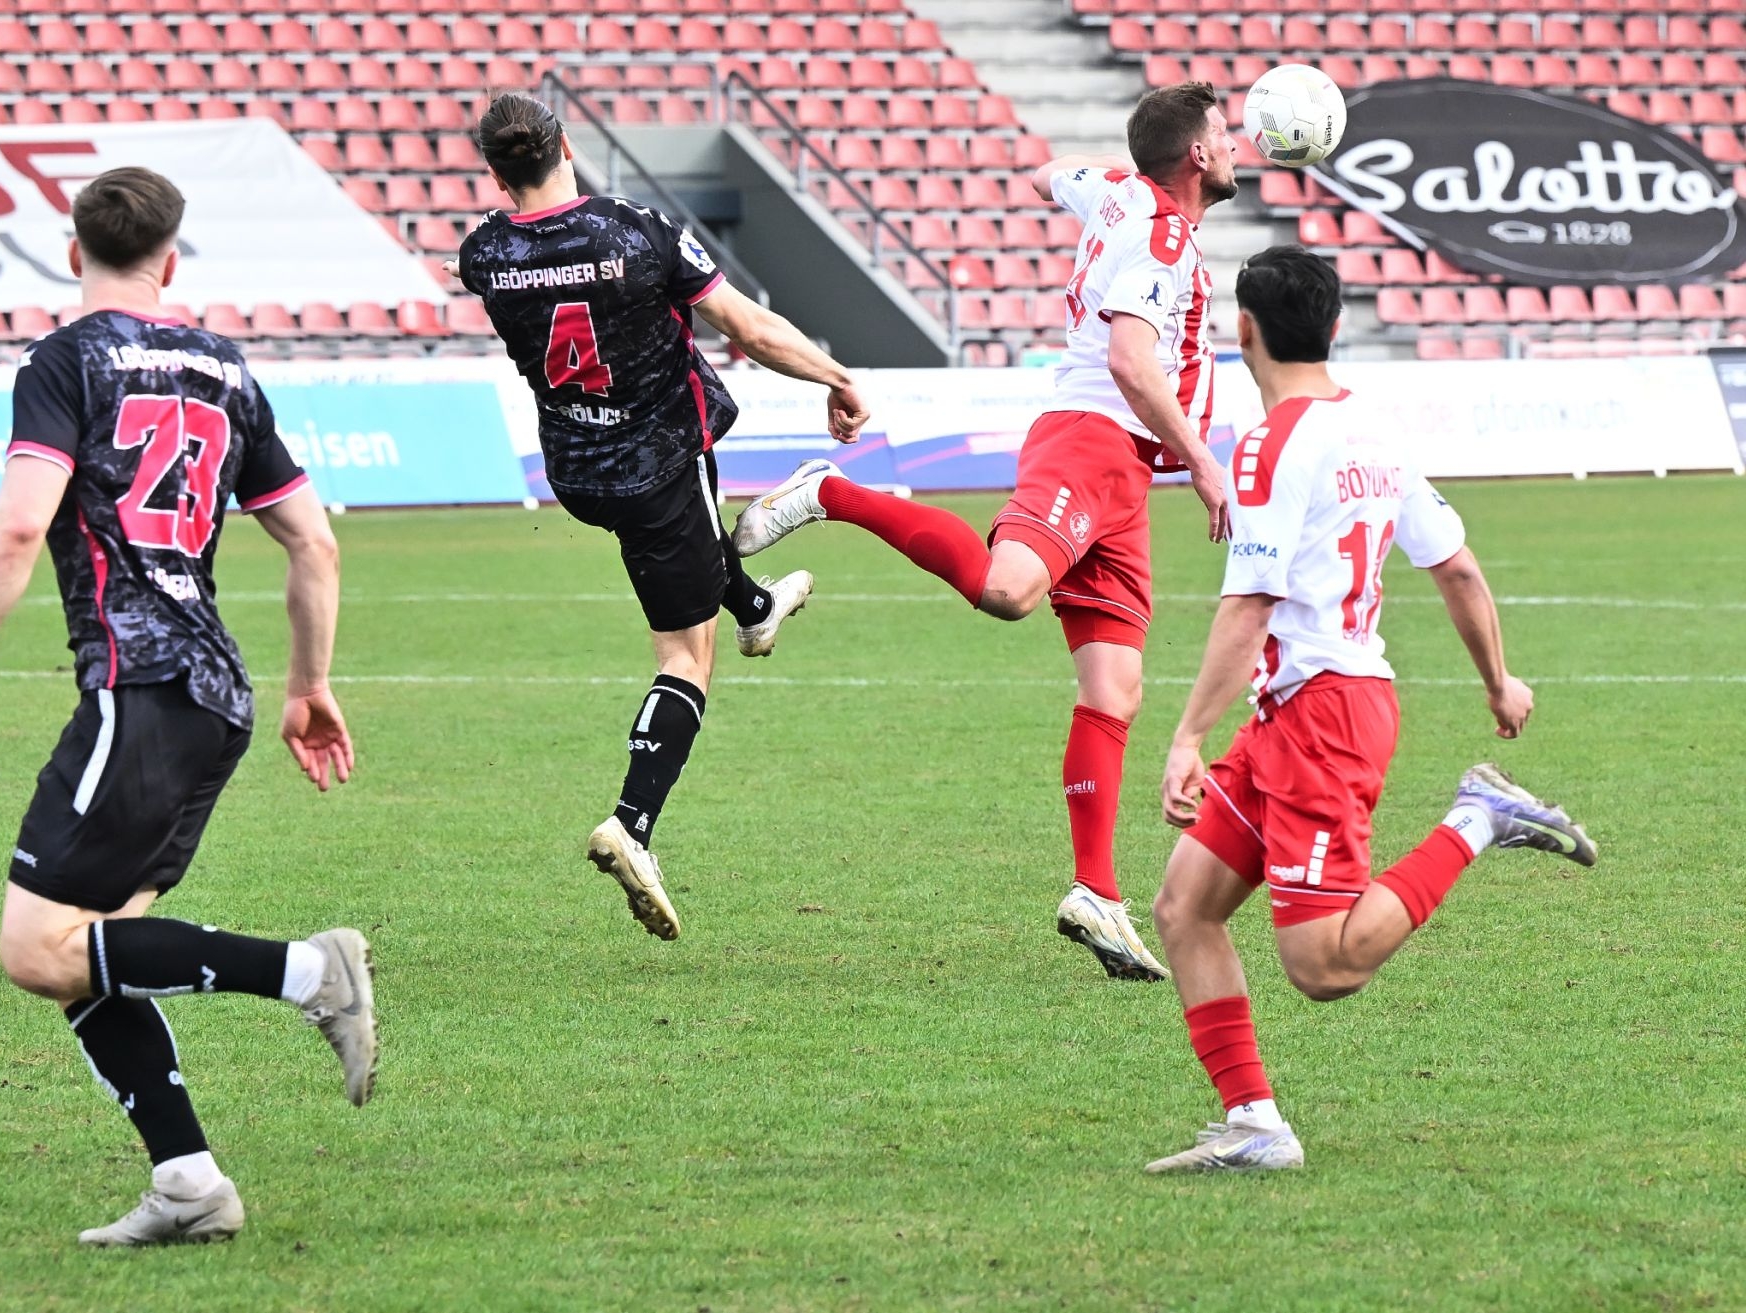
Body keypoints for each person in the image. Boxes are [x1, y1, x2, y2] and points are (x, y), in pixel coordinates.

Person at [0, 167, 375, 1244]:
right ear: (171, 258)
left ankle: (311, 971)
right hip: (216, 693)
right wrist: (309, 685)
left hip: (142, 684)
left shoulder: (62, 362)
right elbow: (314, 542)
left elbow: (22, 524)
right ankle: (190, 1183)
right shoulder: (225, 368)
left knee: (36, 949)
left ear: (76, 253)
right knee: (96, 948)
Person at [734, 82, 1239, 980]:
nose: (1236, 145)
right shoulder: (1161, 236)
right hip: (1091, 440)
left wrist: (1113, 180)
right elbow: (1130, 360)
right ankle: (833, 493)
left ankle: (1096, 891)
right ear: (1197, 155)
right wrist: (1203, 459)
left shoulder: (1116, 190)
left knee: (1116, 687)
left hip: (1124, 474)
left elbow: (1049, 174)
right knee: (1008, 590)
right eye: (1224, 134)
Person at [1140, 246, 1597, 1173]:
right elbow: (1456, 566)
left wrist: (1187, 735)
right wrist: (1498, 680)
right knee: (1185, 906)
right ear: (1336, 326)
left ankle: (1478, 818)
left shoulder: (1272, 443)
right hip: (1301, 711)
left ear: (1243, 330)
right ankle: (1255, 1123)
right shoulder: (1375, 436)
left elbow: (1250, 605)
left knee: (1325, 965)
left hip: (1325, 718)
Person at [441, 93, 869, 942]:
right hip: (658, 460)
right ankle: (632, 823)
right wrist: (837, 377)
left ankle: (755, 602)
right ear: (567, 145)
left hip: (577, 468)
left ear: (493, 172)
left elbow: (540, 265)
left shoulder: (482, 252)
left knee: (692, 560)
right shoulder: (635, 231)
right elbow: (748, 326)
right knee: (685, 655)